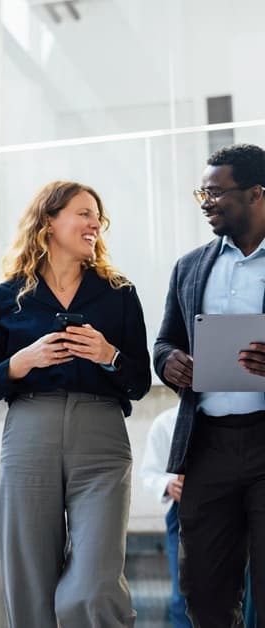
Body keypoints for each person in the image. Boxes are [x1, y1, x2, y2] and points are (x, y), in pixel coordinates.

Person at [0, 180, 150, 627]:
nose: (95, 224)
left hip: (101, 436)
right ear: (49, 221)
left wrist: (107, 355)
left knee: (93, 587)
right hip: (30, 431)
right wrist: (19, 362)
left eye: (98, 217)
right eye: (84, 213)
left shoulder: (119, 293)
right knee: (29, 581)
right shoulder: (6, 297)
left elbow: (140, 381)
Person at [155, 143, 265, 627]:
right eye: (202, 192)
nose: (205, 202)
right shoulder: (190, 266)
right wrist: (171, 362)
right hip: (208, 445)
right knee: (202, 589)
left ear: (257, 194)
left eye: (216, 193)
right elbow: (163, 342)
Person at [141, 406, 191, 628]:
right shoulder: (166, 422)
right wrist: (167, 485)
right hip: (181, 513)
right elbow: (149, 472)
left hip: (229, 509)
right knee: (182, 592)